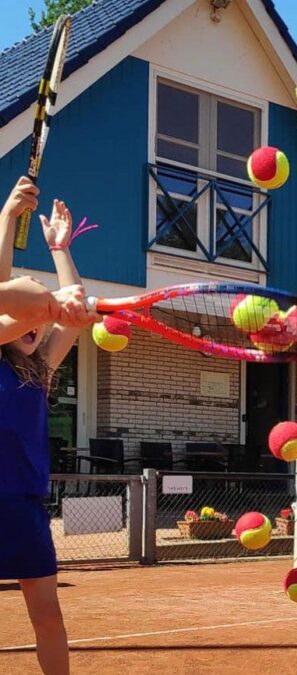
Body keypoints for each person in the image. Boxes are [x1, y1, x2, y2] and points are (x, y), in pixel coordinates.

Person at [0, 188, 97, 675]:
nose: (36, 322)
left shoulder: (39, 371)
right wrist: (6, 217)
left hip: (25, 508)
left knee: (48, 616)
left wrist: (60, 248)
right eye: (28, 313)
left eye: (40, 319)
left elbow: (72, 315)